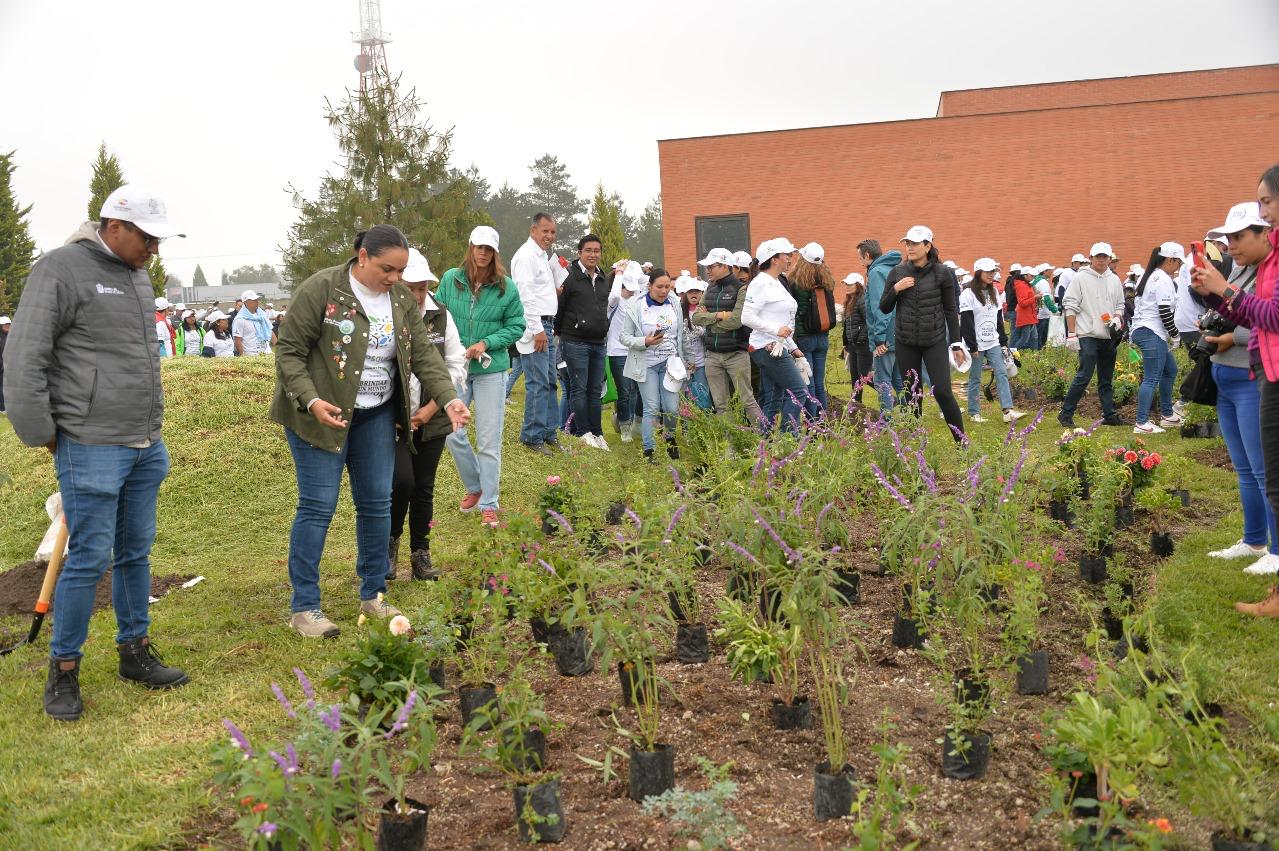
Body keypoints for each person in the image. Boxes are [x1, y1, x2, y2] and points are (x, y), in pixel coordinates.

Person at [3, 185, 190, 721]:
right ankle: (63, 670)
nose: (154, 249)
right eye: (147, 238)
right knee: (88, 557)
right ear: (115, 227)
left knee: (136, 553)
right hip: (89, 443)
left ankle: (134, 652)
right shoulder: (59, 269)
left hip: (143, 442)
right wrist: (43, 431)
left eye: (158, 241)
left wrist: (152, 430)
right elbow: (23, 358)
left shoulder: (136, 274)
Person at [272, 224, 470, 639]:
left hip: (377, 415)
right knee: (317, 507)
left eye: (400, 271)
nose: (395, 279)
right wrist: (311, 399)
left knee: (378, 503)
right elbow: (289, 353)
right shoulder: (321, 289)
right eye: (387, 269)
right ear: (362, 257)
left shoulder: (399, 298)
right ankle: (305, 607)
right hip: (321, 416)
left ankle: (373, 594)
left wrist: (448, 397)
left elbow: (425, 358)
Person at [1192, 166, 1279, 615]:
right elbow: (1239, 311)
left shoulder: (1265, 270)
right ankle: (1254, 539)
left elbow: (1265, 319)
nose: (1230, 247)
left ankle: (1275, 551)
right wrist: (1211, 297)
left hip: (1253, 376)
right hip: (1232, 374)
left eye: (1238, 237)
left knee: (1268, 471)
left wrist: (1229, 324)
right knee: (1247, 467)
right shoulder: (1246, 271)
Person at [435, 226, 527, 528]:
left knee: (489, 440)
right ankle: (476, 485)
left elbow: (517, 326)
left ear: (495, 252)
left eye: (489, 249)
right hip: (457, 369)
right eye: (479, 247)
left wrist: (486, 343)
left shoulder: (506, 287)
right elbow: (436, 315)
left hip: (491, 369)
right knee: (451, 431)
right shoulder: (451, 279)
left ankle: (489, 502)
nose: (483, 253)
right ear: (471, 246)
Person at [389, 249, 468, 581]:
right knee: (400, 483)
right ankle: (388, 546)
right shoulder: (386, 315)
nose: (418, 295)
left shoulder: (441, 316)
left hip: (432, 417)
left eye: (422, 288)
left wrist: (433, 407)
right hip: (393, 418)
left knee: (424, 486)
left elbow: (455, 365)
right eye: (411, 287)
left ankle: (420, 554)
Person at [878, 226, 967, 438]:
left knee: (943, 391)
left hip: (934, 340)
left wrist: (955, 343)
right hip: (906, 342)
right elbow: (884, 307)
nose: (910, 247)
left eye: (915, 243)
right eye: (907, 243)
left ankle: (961, 442)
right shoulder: (897, 272)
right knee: (911, 395)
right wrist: (896, 289)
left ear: (927, 246)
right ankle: (913, 444)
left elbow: (950, 309)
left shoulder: (943, 273)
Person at [743, 238, 814, 434]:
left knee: (774, 397)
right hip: (767, 348)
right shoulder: (760, 283)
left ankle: (764, 441)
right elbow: (746, 317)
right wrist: (776, 332)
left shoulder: (776, 281)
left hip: (778, 346)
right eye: (787, 255)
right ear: (774, 259)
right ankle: (788, 438)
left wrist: (793, 348)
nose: (790, 259)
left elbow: (783, 322)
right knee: (799, 391)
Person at [692, 247, 764, 425]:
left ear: (724, 266)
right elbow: (696, 318)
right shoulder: (709, 288)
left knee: (748, 400)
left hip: (736, 354)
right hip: (712, 356)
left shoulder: (741, 289)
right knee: (721, 405)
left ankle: (765, 439)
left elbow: (737, 321)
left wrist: (710, 321)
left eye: (711, 266)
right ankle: (729, 448)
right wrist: (719, 315)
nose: (707, 270)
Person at [1058, 243, 1127, 428]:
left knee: (1106, 378)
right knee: (1084, 375)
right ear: (1091, 258)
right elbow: (1070, 306)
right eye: (1098, 256)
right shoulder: (1081, 278)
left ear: (1110, 258)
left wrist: (1117, 318)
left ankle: (1109, 414)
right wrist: (1072, 334)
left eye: (1105, 256)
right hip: (1087, 333)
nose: (1102, 259)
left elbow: (1120, 304)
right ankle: (1066, 413)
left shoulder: (1114, 279)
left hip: (1108, 335)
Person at [621, 268, 687, 461]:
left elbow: (680, 335)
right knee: (651, 406)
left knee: (672, 408)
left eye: (667, 286)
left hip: (670, 364)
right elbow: (624, 337)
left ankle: (670, 438)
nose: (664, 290)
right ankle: (649, 449)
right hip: (646, 364)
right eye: (659, 286)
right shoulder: (636, 305)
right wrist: (645, 341)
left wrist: (684, 359)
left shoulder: (674, 302)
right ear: (650, 286)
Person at [513, 213, 564, 455]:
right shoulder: (526, 256)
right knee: (537, 381)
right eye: (545, 231)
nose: (549, 236)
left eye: (553, 232)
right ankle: (532, 435)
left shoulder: (542, 256)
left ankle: (549, 431)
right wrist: (537, 330)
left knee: (550, 381)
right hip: (536, 326)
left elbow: (539, 290)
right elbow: (524, 297)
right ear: (533, 230)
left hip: (547, 324)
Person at [555, 234, 611, 450]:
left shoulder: (603, 277)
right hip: (574, 341)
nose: (593, 254)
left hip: (598, 341)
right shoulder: (569, 275)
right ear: (579, 252)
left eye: (597, 250)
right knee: (579, 389)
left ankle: (597, 432)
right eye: (588, 250)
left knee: (595, 390)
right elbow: (559, 307)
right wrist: (561, 333)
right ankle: (582, 431)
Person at [1130, 242, 1185, 434]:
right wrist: (1175, 334)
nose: (1179, 266)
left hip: (1147, 330)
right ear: (1170, 260)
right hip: (1151, 331)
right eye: (1178, 262)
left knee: (1170, 370)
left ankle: (1167, 415)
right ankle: (1141, 422)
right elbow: (1164, 310)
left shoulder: (1151, 275)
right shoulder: (1161, 279)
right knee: (1152, 377)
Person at [961, 260, 1023, 423]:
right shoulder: (968, 294)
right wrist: (972, 345)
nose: (991, 274)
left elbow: (998, 319)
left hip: (993, 341)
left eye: (993, 271)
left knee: (1001, 372)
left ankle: (1007, 410)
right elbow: (966, 322)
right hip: (976, 343)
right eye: (987, 271)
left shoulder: (994, 292)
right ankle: (974, 412)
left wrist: (1003, 342)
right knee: (975, 377)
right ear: (977, 272)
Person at [789, 242, 838, 414]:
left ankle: (812, 424)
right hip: (822, 336)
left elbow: (796, 312)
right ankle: (822, 422)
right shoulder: (827, 281)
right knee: (818, 381)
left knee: (807, 383)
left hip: (804, 337)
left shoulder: (797, 282)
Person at [859, 239, 904, 412]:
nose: (860, 263)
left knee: (882, 381)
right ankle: (913, 420)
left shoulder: (877, 272)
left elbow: (881, 307)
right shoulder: (893, 268)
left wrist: (879, 339)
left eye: (861, 259)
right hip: (897, 333)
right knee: (899, 380)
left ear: (867, 255)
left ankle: (887, 422)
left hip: (885, 337)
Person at [606, 261, 642, 441]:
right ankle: (624, 425)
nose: (632, 291)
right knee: (624, 390)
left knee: (634, 389)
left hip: (634, 349)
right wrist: (619, 274)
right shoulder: (615, 301)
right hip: (617, 352)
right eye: (629, 288)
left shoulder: (636, 301)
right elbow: (613, 295)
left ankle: (632, 422)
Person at [677, 274, 712, 410]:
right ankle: (687, 429)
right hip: (684, 364)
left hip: (702, 362)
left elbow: (709, 334)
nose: (693, 294)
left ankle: (703, 427)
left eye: (697, 291)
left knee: (703, 396)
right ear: (685, 294)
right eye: (690, 291)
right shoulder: (679, 311)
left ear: (702, 293)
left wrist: (705, 317)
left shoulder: (707, 311)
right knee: (685, 399)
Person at [840, 273, 873, 403]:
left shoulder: (862, 300)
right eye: (846, 284)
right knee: (855, 377)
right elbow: (848, 325)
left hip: (863, 345)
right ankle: (856, 404)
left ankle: (890, 398)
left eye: (850, 284)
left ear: (858, 285)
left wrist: (860, 338)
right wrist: (847, 343)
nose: (847, 286)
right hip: (853, 345)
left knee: (864, 376)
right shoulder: (850, 300)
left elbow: (869, 321)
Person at [233, 289, 275, 357]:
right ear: (245, 302)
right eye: (253, 300)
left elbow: (270, 330)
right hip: (251, 355)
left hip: (266, 352)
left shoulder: (262, 315)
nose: (257, 302)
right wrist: (243, 357)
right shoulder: (240, 319)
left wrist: (278, 348)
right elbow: (237, 341)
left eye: (257, 299)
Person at [1009, 267, 1039, 351]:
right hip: (1026, 316)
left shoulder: (1025, 285)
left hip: (1029, 315)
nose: (1033, 277)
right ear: (1025, 276)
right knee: (1024, 338)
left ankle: (1034, 354)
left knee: (1033, 337)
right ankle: (1012, 353)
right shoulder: (1021, 286)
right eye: (1032, 275)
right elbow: (1022, 303)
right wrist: (1035, 297)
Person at [0, 314, 10, 413]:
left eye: (8, 325)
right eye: (5, 325)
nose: (7, 327)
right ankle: (2, 408)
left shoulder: (11, 337)